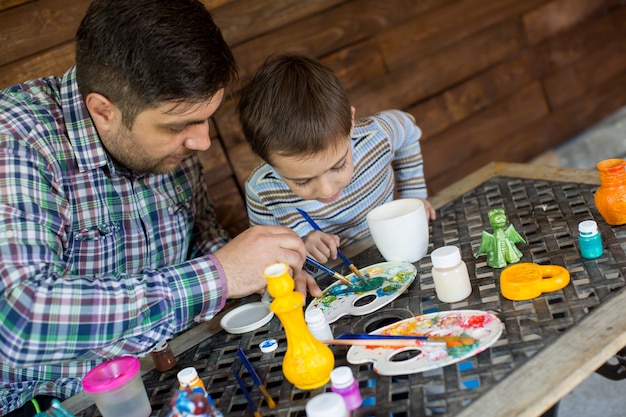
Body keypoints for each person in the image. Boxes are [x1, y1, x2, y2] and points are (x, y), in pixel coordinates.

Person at [0, 1, 321, 415]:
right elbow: (21, 317)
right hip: (47, 401)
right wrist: (219, 275)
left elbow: (201, 234)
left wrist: (260, 275)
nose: (201, 142)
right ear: (103, 111)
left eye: (207, 118)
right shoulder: (17, 139)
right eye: (177, 126)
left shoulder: (173, 133)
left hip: (164, 372)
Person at [238, 54, 436, 263]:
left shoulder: (378, 134)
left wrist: (413, 196)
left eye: (339, 165)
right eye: (302, 181)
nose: (327, 190)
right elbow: (271, 258)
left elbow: (409, 129)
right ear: (266, 159)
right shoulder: (261, 190)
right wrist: (301, 250)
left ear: (350, 123)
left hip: (395, 250)